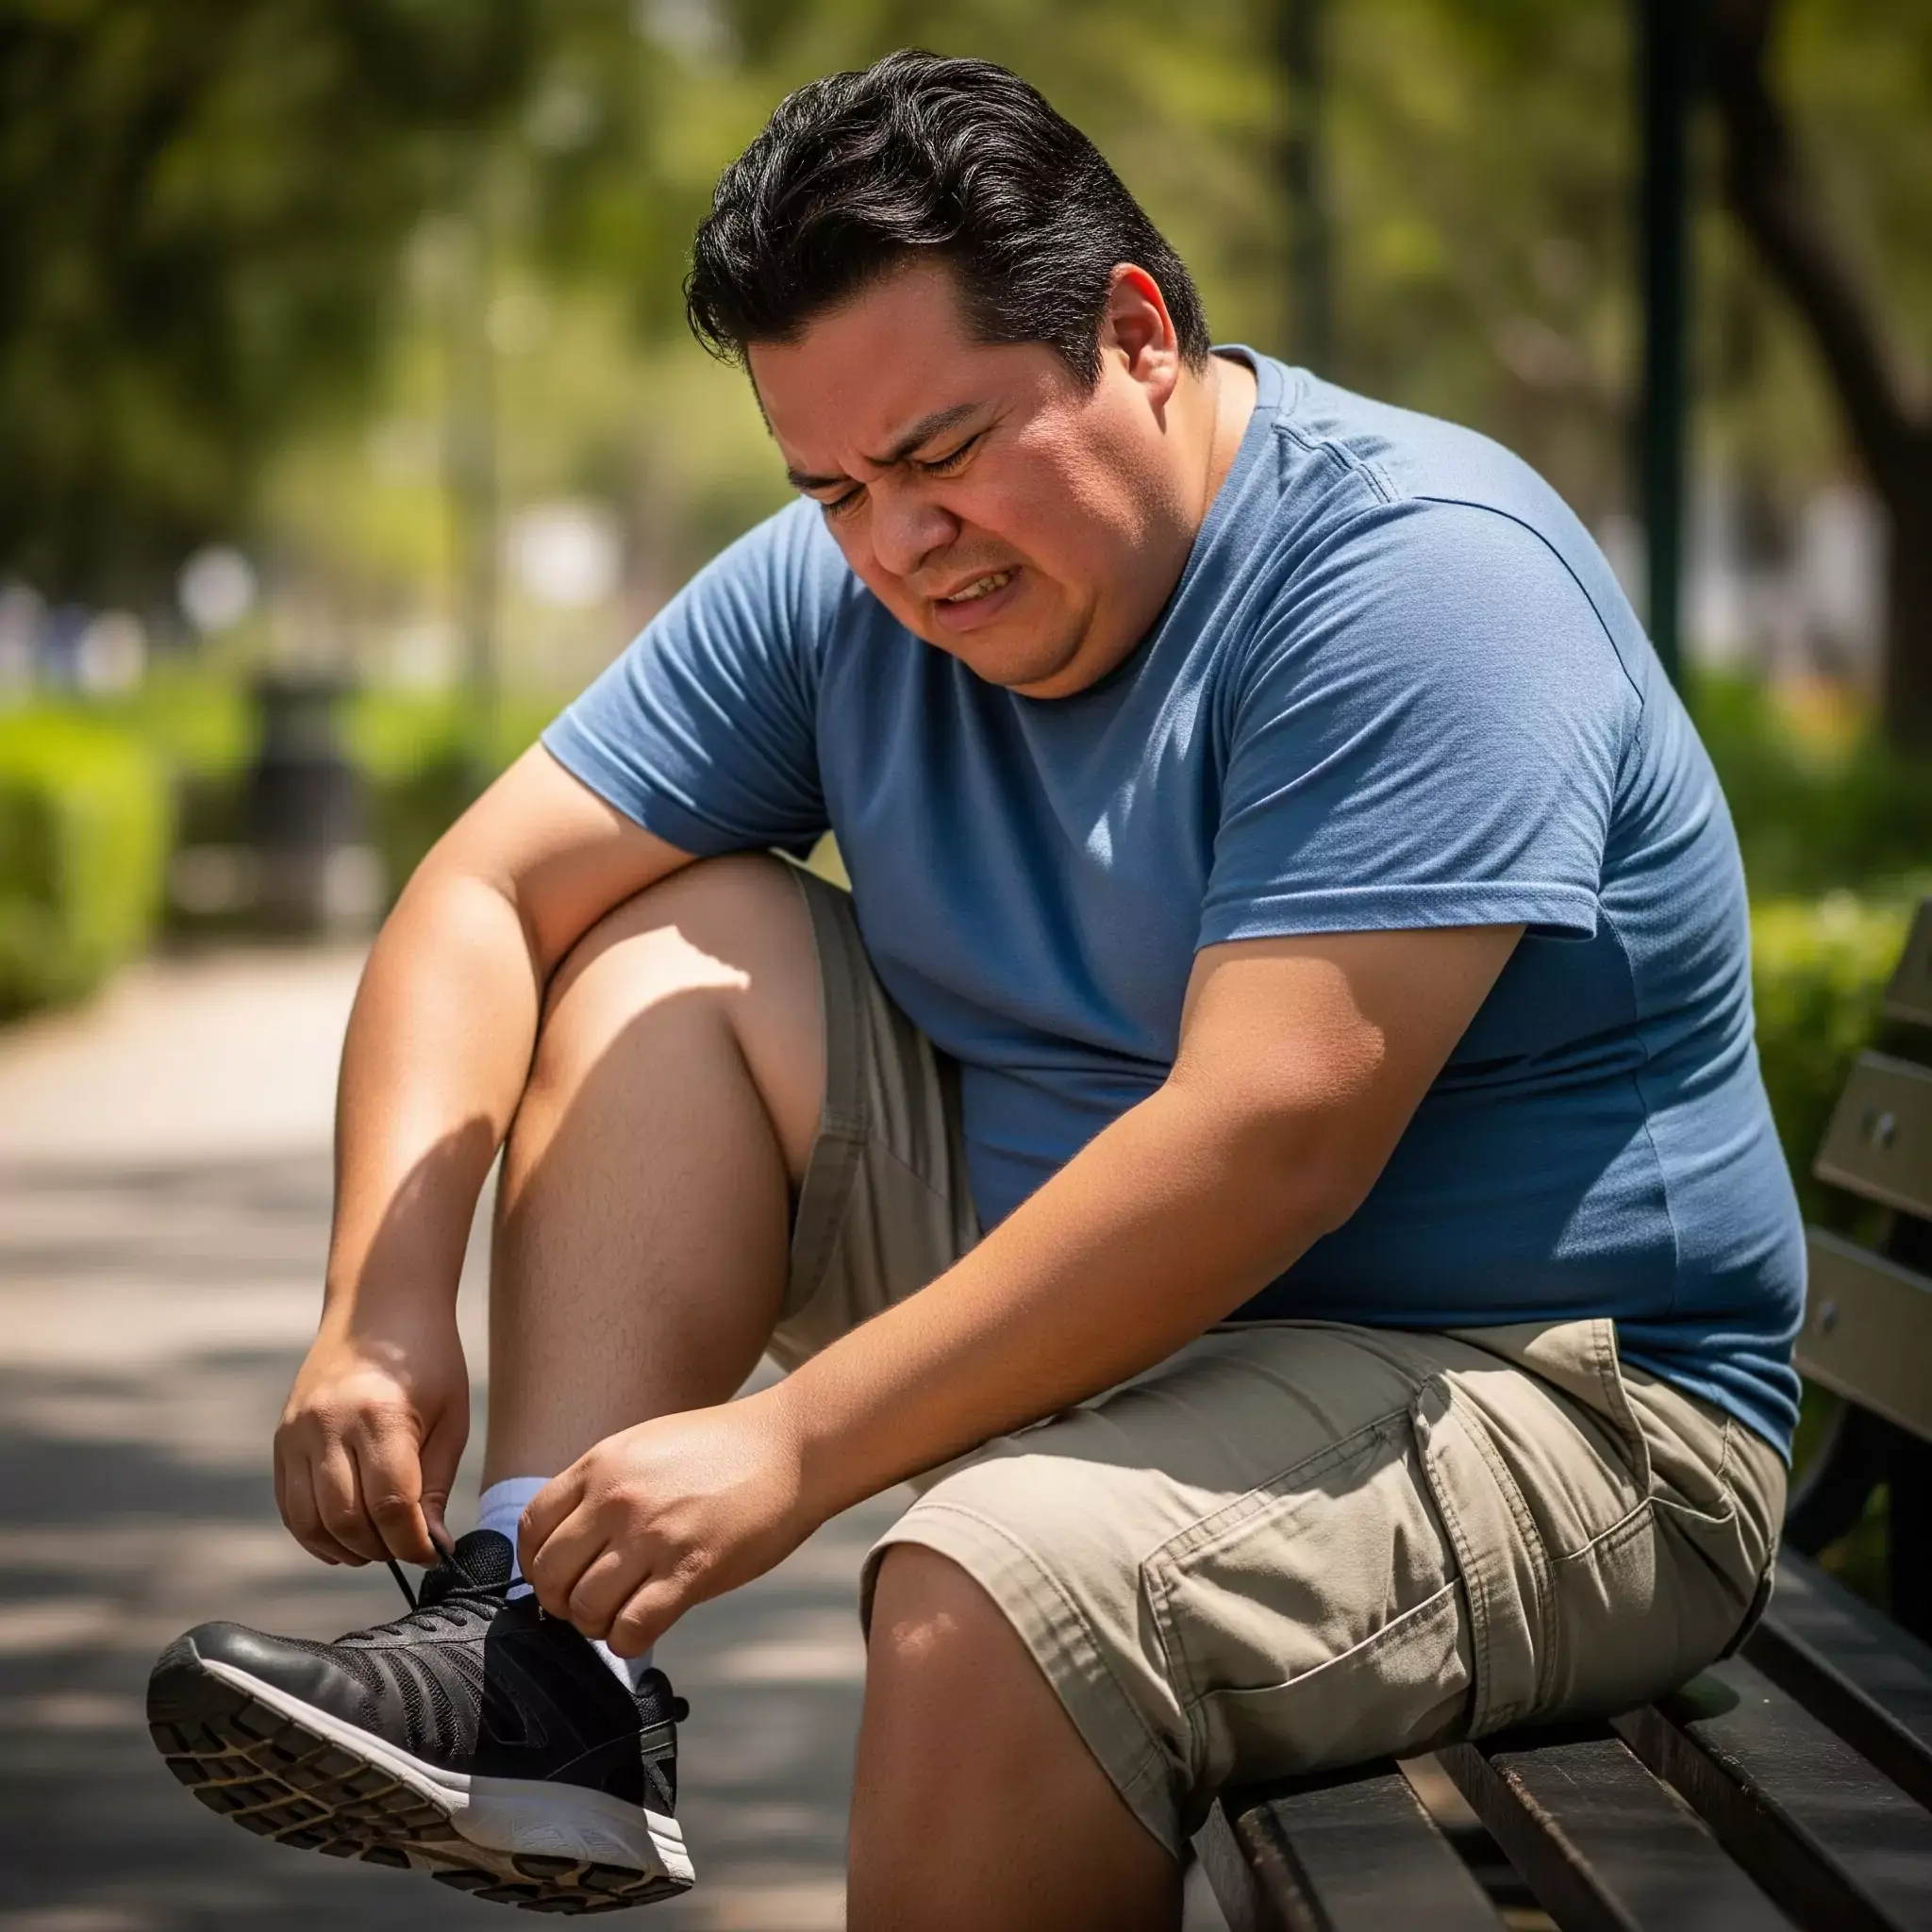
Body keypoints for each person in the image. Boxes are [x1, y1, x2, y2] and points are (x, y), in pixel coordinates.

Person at [145, 49, 1802, 1931]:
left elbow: (1273, 1140)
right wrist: (378, 1307)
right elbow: (480, 891)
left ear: (1137, 331)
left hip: (1549, 1398)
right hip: (1132, 1306)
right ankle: (537, 1662)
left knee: (988, 1595)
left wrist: (791, 1442)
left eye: (940, 455)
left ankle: (589, 1657)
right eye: (833, 485)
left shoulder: (1419, 576)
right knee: (661, 933)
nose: (897, 548)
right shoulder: (841, 590)